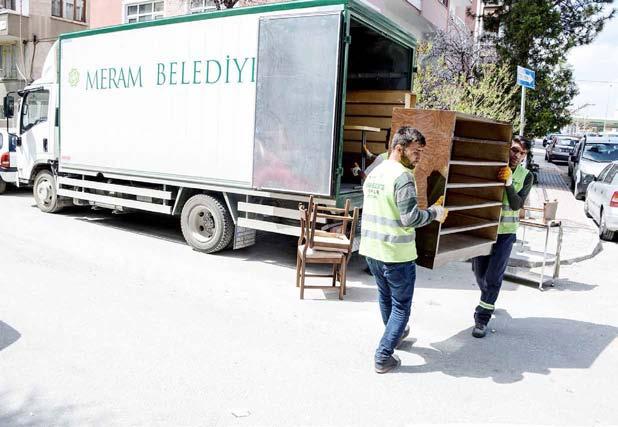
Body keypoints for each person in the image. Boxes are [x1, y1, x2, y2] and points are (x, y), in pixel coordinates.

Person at [359, 126, 448, 374]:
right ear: (399, 148)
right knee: (401, 307)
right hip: (396, 255)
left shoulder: (375, 173)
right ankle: (383, 354)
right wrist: (434, 213)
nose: (419, 157)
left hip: (372, 250)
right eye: (416, 151)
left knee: (385, 297)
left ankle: (394, 336)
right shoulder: (403, 177)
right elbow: (409, 218)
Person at [471, 136, 533, 338]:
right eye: (515, 150)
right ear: (508, 148)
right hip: (485, 229)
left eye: (522, 153)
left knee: (493, 278)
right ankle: (487, 296)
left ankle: (482, 319)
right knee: (479, 274)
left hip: (505, 234)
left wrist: (508, 183)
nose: (517, 156)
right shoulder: (493, 166)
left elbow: (516, 205)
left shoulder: (526, 176)